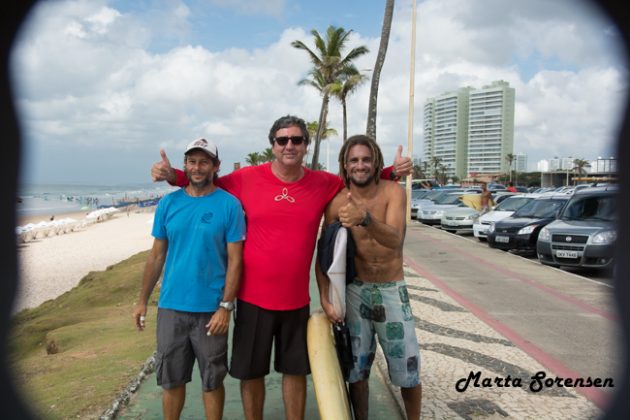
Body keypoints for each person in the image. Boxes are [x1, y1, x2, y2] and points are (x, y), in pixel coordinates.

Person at [150, 115, 412, 420]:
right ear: (273, 145)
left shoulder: (322, 182)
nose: (289, 145)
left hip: (296, 301)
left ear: (305, 146)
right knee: (251, 374)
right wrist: (173, 175)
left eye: (297, 140)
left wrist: (392, 172)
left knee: (295, 372)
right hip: (252, 298)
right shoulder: (246, 178)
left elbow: (359, 177)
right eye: (282, 140)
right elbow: (204, 181)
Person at [133, 138, 245, 420]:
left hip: (211, 311)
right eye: (192, 162)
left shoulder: (229, 205)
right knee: (171, 380)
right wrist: (142, 301)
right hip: (171, 307)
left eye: (204, 162)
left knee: (212, 380)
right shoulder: (169, 204)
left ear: (215, 166)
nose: (197, 167)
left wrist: (225, 306)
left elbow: (235, 260)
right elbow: (156, 256)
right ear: (185, 165)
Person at [315, 134, 422, 420]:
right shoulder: (337, 202)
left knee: (407, 370)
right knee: (356, 370)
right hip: (354, 291)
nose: (360, 165)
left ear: (375, 163)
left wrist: (365, 219)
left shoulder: (393, 193)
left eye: (365, 159)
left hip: (391, 289)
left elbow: (395, 240)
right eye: (354, 160)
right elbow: (323, 254)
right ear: (345, 166)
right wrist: (326, 298)